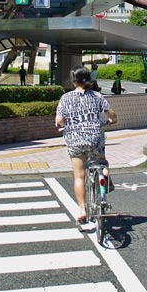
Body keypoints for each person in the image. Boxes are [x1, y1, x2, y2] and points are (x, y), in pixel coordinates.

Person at [55, 65, 112, 223]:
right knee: (102, 159)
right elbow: (112, 114)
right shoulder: (97, 96)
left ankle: (82, 209)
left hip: (75, 140)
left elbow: (60, 121)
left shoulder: (66, 98)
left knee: (79, 176)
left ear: (74, 81)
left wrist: (65, 123)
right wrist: (111, 120)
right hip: (94, 139)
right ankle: (104, 174)